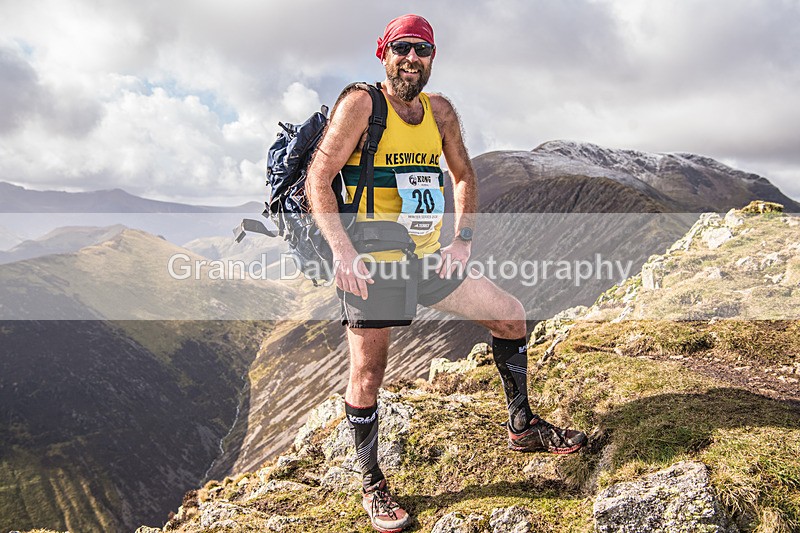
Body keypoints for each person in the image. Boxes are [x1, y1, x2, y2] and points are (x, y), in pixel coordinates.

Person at [306, 14, 586, 533]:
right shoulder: (362, 104)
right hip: (374, 262)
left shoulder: (440, 112)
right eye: (402, 48)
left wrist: (462, 241)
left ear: (433, 58)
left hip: (430, 257)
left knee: (510, 316)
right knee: (368, 375)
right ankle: (372, 483)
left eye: (423, 49)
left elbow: (463, 174)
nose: (412, 58)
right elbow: (318, 179)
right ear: (383, 53)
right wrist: (342, 251)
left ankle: (522, 427)